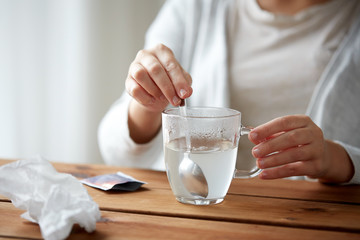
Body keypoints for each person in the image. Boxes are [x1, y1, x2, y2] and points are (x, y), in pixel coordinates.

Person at [98, 0, 360, 184]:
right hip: (195, 212)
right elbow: (115, 151)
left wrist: (336, 159)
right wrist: (147, 104)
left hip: (314, 220)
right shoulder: (194, 8)